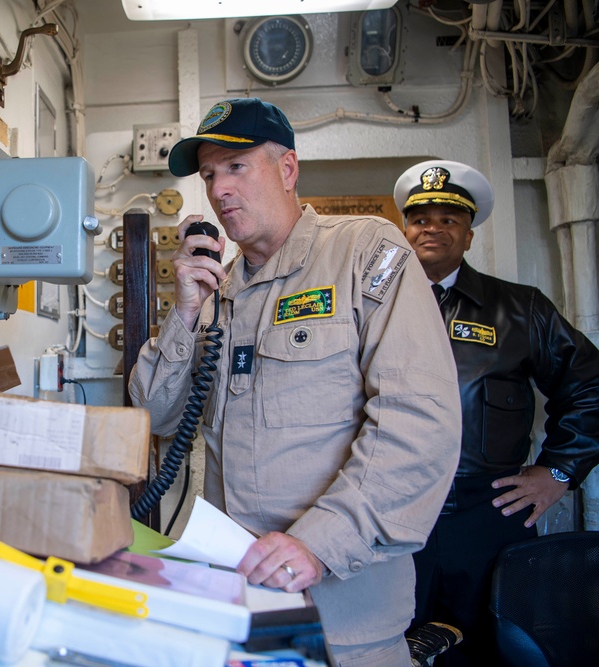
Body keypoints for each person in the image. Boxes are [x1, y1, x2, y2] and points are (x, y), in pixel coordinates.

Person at [127, 98, 463, 667]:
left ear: (287, 170)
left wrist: (320, 543)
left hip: (346, 615)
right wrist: (183, 314)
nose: (219, 190)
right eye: (209, 175)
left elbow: (419, 420)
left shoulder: (364, 252)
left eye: (237, 167)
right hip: (241, 606)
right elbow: (155, 416)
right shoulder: (217, 291)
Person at [395, 160, 599, 666]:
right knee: (388, 643)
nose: (433, 228)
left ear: (468, 234)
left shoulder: (519, 308)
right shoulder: (370, 303)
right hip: (392, 506)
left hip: (488, 511)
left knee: (491, 644)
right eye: (421, 218)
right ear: (404, 230)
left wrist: (559, 470)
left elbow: (590, 384)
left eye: (449, 219)